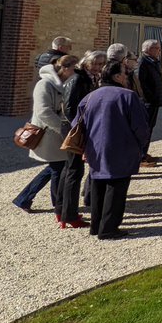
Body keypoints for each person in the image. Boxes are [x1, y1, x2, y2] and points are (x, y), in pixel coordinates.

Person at [74, 61, 151, 240]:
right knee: (116, 189)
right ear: (116, 77)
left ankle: (96, 225)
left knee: (98, 186)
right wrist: (141, 146)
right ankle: (108, 228)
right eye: (124, 73)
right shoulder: (128, 96)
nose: (126, 77)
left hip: (95, 148)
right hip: (121, 148)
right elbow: (141, 127)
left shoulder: (90, 96)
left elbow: (77, 124)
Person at [12, 55, 78, 217]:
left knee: (56, 168)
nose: (76, 72)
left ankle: (24, 199)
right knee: (57, 168)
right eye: (74, 68)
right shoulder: (44, 84)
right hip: (49, 133)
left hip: (59, 133)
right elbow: (43, 111)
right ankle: (59, 205)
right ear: (65, 68)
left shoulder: (66, 84)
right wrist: (63, 129)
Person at [59, 50, 106, 228]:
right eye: (95, 63)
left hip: (81, 126)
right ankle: (69, 214)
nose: (98, 67)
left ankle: (63, 211)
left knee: (71, 169)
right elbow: (70, 107)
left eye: (101, 64)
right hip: (74, 128)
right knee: (73, 170)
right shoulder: (78, 79)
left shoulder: (91, 78)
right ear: (86, 62)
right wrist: (79, 128)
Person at [136, 38, 162, 142]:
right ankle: (141, 154)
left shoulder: (154, 61)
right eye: (157, 48)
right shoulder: (142, 63)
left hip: (154, 101)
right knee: (145, 127)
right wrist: (150, 97)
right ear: (148, 49)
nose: (159, 51)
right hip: (148, 102)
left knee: (150, 126)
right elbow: (141, 84)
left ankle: (145, 152)